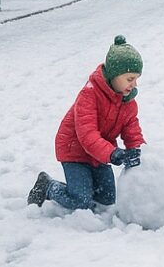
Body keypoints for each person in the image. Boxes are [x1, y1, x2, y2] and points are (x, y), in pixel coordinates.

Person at [27, 35, 145, 212]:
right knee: (82, 201)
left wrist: (141, 153)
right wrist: (113, 154)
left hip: (99, 154)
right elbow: (87, 135)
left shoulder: (128, 103)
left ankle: (85, 186)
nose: (134, 84)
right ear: (114, 75)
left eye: (136, 78)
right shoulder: (89, 95)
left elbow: (132, 133)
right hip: (74, 151)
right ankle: (48, 186)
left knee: (107, 200)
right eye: (129, 79)